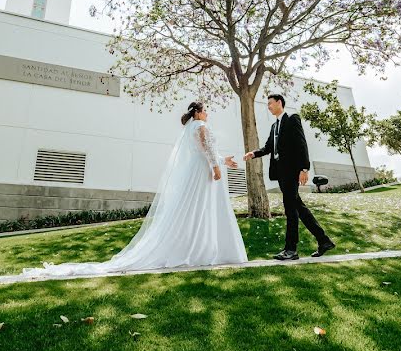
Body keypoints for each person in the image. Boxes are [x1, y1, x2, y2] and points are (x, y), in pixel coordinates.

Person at [22, 101, 248, 278]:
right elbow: (206, 147)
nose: (207, 114)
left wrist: (222, 160)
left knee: (195, 209)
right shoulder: (200, 126)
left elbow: (202, 150)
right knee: (200, 209)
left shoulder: (189, 129)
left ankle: (196, 247)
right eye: (205, 111)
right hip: (203, 171)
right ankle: (200, 248)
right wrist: (217, 166)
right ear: (198, 113)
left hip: (197, 169)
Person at [244, 94, 335, 260]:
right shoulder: (274, 126)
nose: (269, 106)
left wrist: (304, 168)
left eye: (270, 103)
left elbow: (301, 143)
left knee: (290, 208)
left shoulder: (292, 119)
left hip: (292, 171)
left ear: (279, 102)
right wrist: (254, 153)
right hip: (280, 172)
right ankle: (324, 241)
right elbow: (268, 147)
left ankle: (291, 250)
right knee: (298, 207)